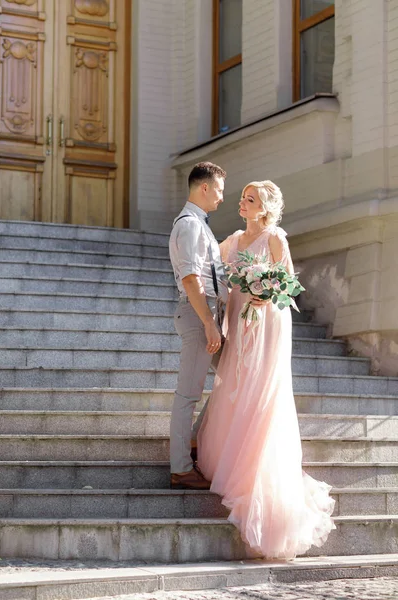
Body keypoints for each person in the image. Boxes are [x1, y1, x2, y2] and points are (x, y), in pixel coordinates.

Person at [197, 180, 335, 559]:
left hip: (268, 322)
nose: (242, 202)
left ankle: (258, 464)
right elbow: (215, 271)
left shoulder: (275, 238)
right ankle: (230, 451)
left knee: (261, 388)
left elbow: (290, 285)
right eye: (242, 197)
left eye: (250, 199)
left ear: (266, 207)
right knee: (235, 382)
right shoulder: (233, 240)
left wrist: (263, 294)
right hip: (239, 325)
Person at [168, 162, 228, 490]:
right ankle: (180, 467)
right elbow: (191, 279)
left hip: (208, 315)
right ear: (204, 187)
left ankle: (194, 439)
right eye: (219, 189)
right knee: (188, 394)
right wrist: (208, 322)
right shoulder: (190, 225)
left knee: (233, 375)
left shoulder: (200, 224)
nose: (221, 197)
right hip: (197, 316)